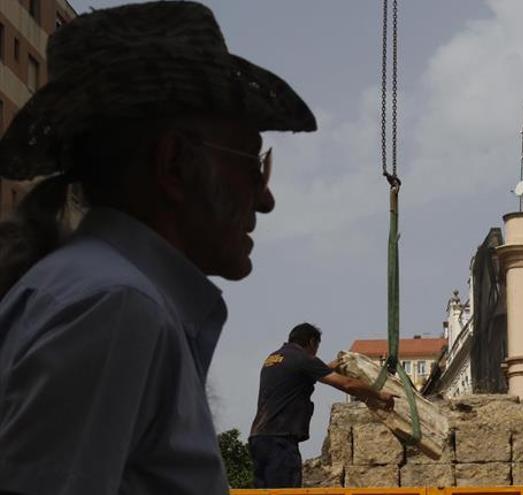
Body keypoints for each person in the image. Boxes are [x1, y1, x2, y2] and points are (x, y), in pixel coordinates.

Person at [0, 2, 317, 494]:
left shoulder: (94, 292)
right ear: (175, 166)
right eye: (254, 164)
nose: (266, 197)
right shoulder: (114, 306)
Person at [249, 323, 395, 488]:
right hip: (280, 440)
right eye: (317, 347)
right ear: (311, 342)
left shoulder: (275, 358)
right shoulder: (302, 358)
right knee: (285, 490)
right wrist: (380, 395)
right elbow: (347, 384)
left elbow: (300, 377)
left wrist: (329, 366)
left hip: (259, 438)